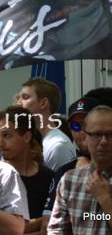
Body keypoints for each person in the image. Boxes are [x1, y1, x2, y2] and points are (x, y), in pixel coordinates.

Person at [40, 96, 100, 234]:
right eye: (75, 126)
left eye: (87, 124)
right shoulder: (65, 173)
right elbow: (48, 225)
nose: (82, 132)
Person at [48, 105, 112, 234]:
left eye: (110, 134)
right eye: (97, 135)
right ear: (85, 138)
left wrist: (104, 198)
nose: (104, 141)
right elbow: (56, 230)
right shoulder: (70, 179)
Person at [0, 106, 54, 234]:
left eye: (6, 135)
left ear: (27, 137)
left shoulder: (50, 178)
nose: (0, 143)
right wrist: (43, 220)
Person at [16, 77, 76, 171]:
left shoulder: (58, 146)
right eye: (18, 98)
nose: (18, 103)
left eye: (25, 97)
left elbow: (59, 184)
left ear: (43, 103)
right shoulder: (30, 140)